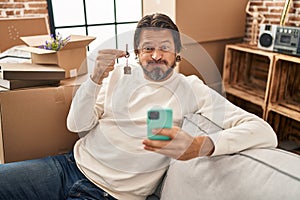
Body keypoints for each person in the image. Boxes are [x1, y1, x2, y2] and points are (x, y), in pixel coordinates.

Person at [0, 13, 277, 200]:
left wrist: (202, 145)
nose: (156, 55)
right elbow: (76, 125)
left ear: (177, 52)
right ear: (136, 52)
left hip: (111, 195)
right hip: (68, 166)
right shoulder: (118, 75)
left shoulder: (191, 88)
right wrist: (95, 78)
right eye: (148, 48)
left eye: (165, 47)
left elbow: (264, 131)